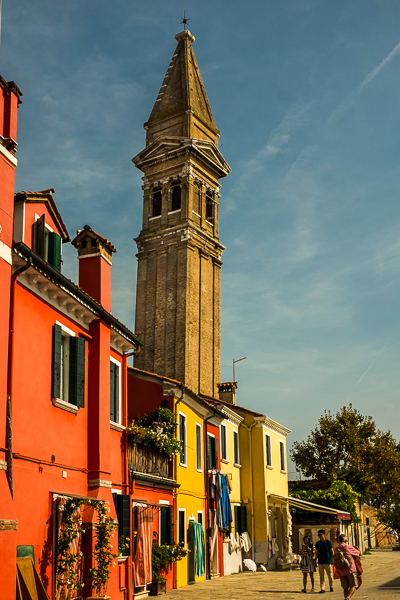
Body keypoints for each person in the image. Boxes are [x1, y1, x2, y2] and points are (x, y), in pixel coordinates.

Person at [334, 534, 361, 599]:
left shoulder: (336, 548)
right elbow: (358, 553)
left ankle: (346, 598)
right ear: (346, 540)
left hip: (341, 571)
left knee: (345, 588)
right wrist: (357, 548)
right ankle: (348, 597)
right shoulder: (348, 547)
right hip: (350, 569)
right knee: (353, 586)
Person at [315, 529, 334, 593]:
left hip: (327, 561)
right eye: (318, 535)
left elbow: (331, 551)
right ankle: (322, 588)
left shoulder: (328, 542)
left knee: (330, 575)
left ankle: (331, 586)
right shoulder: (318, 543)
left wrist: (333, 559)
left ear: (324, 535)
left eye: (320, 535)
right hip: (320, 561)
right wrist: (315, 560)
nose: (319, 536)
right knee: (321, 576)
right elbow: (317, 552)